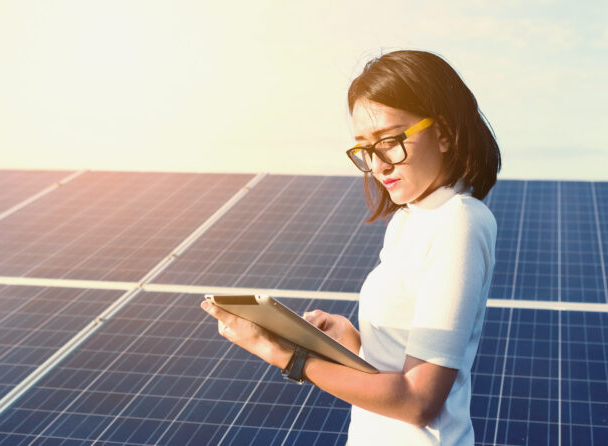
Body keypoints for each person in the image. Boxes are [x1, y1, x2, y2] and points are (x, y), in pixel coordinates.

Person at [201, 49, 501, 445]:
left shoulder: (458, 221)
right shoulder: (409, 221)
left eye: (390, 141)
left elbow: (418, 402)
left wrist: (286, 357)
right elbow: (393, 368)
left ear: (444, 132)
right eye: (365, 149)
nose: (378, 165)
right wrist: (350, 340)